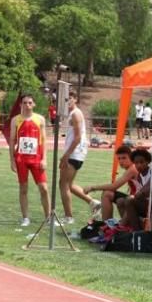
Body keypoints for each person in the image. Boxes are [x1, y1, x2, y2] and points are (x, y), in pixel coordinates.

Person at [9, 93, 50, 226]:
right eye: (25, 103)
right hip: (21, 159)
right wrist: (12, 160)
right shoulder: (16, 120)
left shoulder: (40, 119)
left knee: (44, 188)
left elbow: (44, 141)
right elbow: (12, 140)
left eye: (30, 103)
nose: (27, 105)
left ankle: (48, 217)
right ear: (20, 105)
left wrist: (44, 158)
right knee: (23, 188)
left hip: (37, 158)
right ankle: (25, 218)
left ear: (34, 104)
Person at [58, 94, 98, 225]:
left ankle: (68, 217)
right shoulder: (72, 114)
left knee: (62, 184)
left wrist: (66, 155)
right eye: (65, 99)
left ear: (75, 98)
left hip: (75, 154)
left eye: (70, 98)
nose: (67, 101)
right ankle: (93, 202)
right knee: (69, 184)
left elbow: (78, 137)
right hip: (76, 153)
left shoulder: (75, 114)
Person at [84, 144, 139, 221]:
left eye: (124, 158)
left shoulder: (132, 169)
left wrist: (93, 187)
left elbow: (114, 186)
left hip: (139, 200)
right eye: (119, 158)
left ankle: (107, 224)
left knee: (107, 193)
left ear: (131, 158)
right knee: (112, 196)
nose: (121, 161)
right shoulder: (130, 168)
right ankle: (109, 224)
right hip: (134, 199)